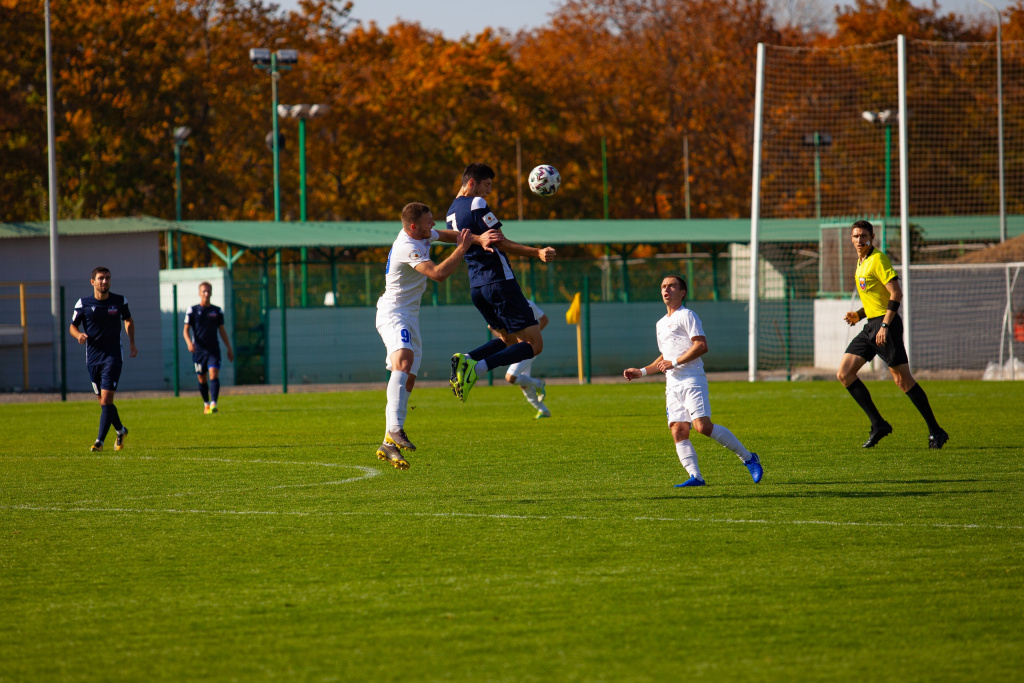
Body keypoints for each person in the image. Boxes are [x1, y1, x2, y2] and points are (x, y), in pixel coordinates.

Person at [374, 201, 497, 469]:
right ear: (413, 226)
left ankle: (388, 441)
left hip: (410, 316)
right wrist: (463, 249)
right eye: (429, 222)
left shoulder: (422, 233)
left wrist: (477, 238)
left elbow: (450, 235)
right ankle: (395, 428)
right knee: (403, 361)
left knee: (409, 379)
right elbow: (439, 274)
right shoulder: (407, 246)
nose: (434, 226)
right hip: (393, 313)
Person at [623, 275, 763, 488]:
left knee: (702, 427)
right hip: (672, 384)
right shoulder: (660, 324)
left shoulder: (687, 315)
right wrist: (641, 371)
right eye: (662, 286)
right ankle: (696, 476)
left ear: (682, 292)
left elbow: (701, 346)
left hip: (691, 380)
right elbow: (665, 357)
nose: (666, 289)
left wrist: (675, 362)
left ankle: (748, 458)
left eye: (671, 286)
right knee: (678, 430)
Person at [448, 163, 556, 402]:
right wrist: (537, 252)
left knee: (506, 340)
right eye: (487, 185)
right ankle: (476, 369)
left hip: (477, 286)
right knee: (534, 344)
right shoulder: (477, 203)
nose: (488, 191)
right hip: (499, 281)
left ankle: (467, 358)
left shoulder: (450, 213)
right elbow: (500, 242)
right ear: (472, 183)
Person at [838, 220, 948, 449]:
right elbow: (875, 301)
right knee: (845, 373)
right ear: (851, 238)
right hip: (871, 325)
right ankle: (878, 424)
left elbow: (895, 294)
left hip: (885, 325)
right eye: (855, 236)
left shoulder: (878, 259)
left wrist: (885, 326)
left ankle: (936, 431)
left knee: (903, 380)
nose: (859, 240)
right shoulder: (861, 263)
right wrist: (859, 314)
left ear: (872, 237)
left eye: (863, 235)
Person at [69, 267, 136, 452]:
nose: (104, 282)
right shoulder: (83, 304)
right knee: (104, 403)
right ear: (93, 282)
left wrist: (131, 342)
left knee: (106, 399)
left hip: (113, 356)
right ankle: (121, 431)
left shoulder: (119, 301)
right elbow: (72, 327)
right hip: (92, 359)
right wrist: (78, 336)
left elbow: (128, 320)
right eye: (101, 278)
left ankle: (99, 442)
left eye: (107, 278)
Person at [494, 299, 550, 419]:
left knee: (511, 377)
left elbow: (544, 319)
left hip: (530, 347)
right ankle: (543, 410)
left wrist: (533, 338)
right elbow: (503, 336)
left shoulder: (527, 303)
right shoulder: (502, 304)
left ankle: (538, 383)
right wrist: (494, 327)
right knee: (522, 383)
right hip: (517, 348)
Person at [183, 282, 234, 414]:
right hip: (199, 350)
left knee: (214, 374)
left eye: (209, 291)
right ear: (199, 293)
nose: (206, 294)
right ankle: (206, 403)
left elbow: (222, 330)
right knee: (202, 378)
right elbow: (185, 330)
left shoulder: (216, 311)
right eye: (204, 291)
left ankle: (214, 403)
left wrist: (229, 347)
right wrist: (189, 342)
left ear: (211, 293)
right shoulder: (192, 310)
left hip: (213, 349)